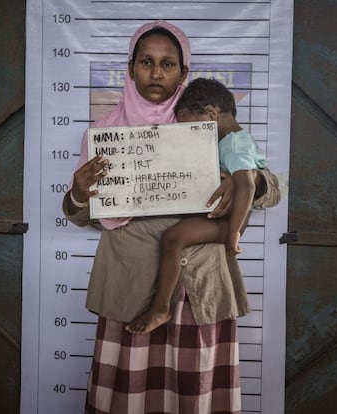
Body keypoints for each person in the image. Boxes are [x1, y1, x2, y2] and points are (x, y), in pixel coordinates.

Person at [63, 20, 280, 414]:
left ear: (184, 71)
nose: (156, 72)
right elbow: (82, 215)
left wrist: (248, 184)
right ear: (130, 68)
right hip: (131, 284)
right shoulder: (104, 133)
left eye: (168, 64)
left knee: (196, 394)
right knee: (126, 394)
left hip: (201, 285)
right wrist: (78, 194)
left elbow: (269, 186)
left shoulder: (204, 121)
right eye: (146, 62)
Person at [125, 77, 270, 334]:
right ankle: (161, 307)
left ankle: (160, 308)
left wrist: (234, 232)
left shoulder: (235, 143)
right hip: (221, 218)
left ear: (211, 114)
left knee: (172, 238)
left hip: (229, 222)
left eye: (191, 127)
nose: (189, 136)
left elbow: (246, 186)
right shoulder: (226, 142)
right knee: (171, 239)